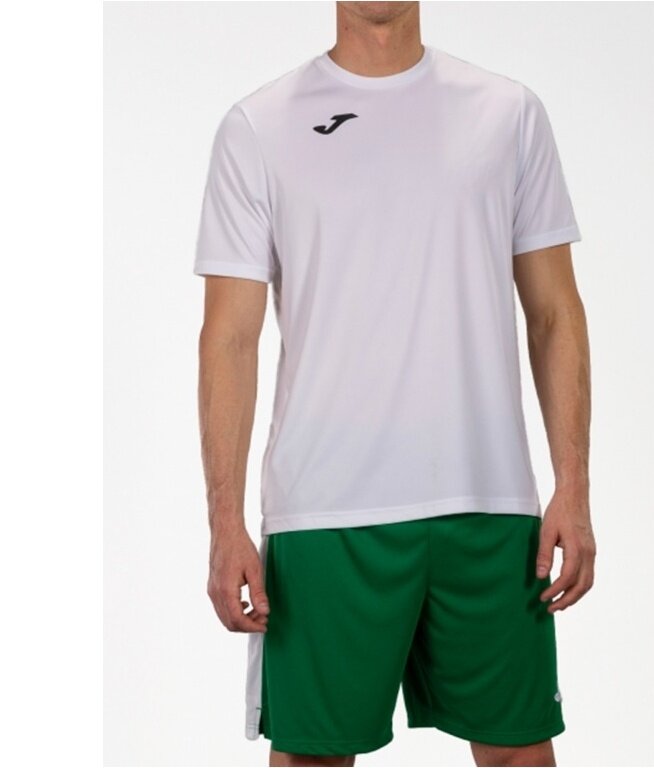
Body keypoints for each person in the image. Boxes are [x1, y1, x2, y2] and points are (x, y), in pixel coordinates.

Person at [193, 2, 596, 766]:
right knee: (313, 756)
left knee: (519, 752)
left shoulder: (508, 113)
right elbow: (229, 339)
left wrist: (572, 487)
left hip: (488, 502)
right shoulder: (259, 127)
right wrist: (224, 522)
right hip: (326, 512)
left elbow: (555, 314)